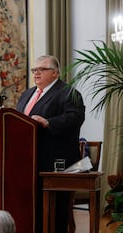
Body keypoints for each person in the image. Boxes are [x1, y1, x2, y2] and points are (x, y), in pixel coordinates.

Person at [16, 55, 85, 233]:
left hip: (55, 160)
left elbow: (75, 118)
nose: (36, 73)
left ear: (55, 73)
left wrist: (49, 123)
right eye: (34, 70)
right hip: (28, 161)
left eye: (42, 69)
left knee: (55, 211)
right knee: (32, 208)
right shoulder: (27, 94)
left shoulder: (69, 93)